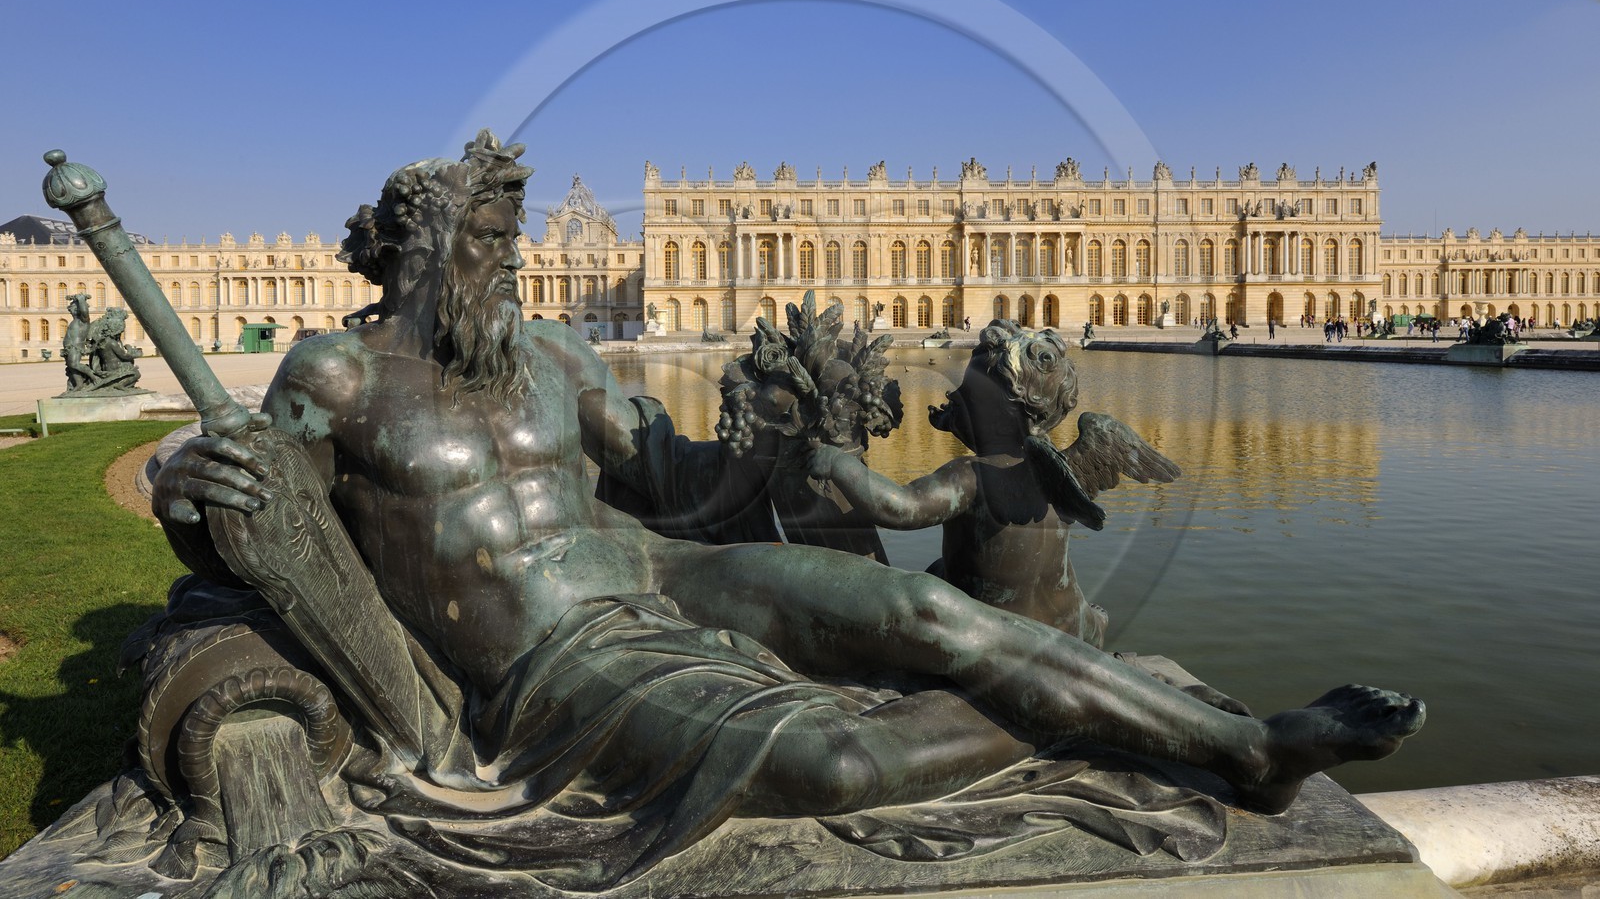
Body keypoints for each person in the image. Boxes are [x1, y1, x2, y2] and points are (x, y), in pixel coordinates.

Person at [155, 132, 1422, 837]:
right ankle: (1090, 712)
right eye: (489, 245)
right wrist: (179, 478)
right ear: (420, 250)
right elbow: (249, 525)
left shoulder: (549, 350)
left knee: (925, 617)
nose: (515, 259)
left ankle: (1238, 744)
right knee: (831, 766)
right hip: (546, 654)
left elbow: (672, 474)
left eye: (514, 238)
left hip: (656, 571)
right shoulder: (337, 371)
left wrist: (779, 437)